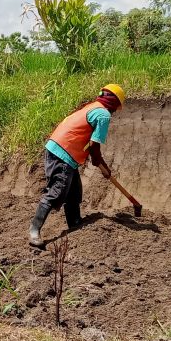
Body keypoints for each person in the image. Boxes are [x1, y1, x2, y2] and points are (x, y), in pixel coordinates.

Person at [28, 84, 125, 247]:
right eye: (116, 108)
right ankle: (34, 230)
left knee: (74, 193)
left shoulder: (93, 107)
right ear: (114, 103)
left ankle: (75, 224)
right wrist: (101, 164)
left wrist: (98, 161)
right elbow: (94, 146)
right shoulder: (103, 115)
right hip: (63, 153)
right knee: (57, 191)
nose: (115, 112)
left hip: (61, 151)